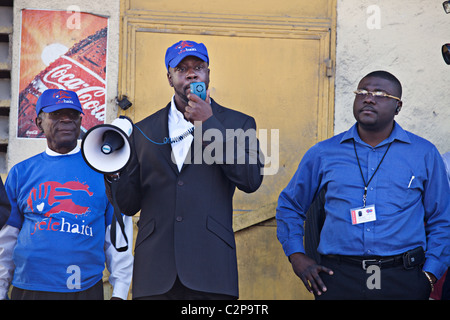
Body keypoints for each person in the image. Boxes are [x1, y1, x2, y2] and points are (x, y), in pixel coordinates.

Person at [105, 40, 264, 300]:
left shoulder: (238, 122)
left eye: (198, 67)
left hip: (211, 271)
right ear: (169, 77)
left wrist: (208, 123)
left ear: (208, 74)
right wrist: (113, 172)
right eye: (181, 68)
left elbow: (250, 179)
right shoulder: (143, 130)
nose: (191, 73)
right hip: (155, 274)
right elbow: (128, 204)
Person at [276, 71, 450, 300]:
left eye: (380, 93)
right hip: (338, 277)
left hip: (403, 277)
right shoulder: (324, 153)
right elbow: (290, 205)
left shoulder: (423, 153)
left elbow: (442, 219)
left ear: (398, 107)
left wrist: (430, 274)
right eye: (363, 92)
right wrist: (296, 255)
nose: (369, 98)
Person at [0, 89, 133, 300]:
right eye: (56, 114)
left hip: (85, 290)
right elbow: (6, 239)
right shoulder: (20, 172)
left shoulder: (104, 169)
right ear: (39, 122)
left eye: (72, 115)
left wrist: (120, 293)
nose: (66, 120)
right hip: (29, 288)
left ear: (81, 121)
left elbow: (117, 236)